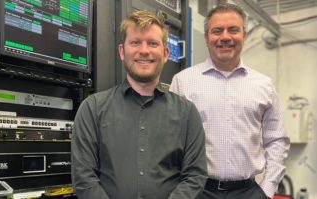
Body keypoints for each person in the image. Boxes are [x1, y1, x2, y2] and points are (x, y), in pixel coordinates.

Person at [71, 10, 207, 199]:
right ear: (122, 51)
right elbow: (83, 178)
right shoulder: (92, 109)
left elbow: (195, 176)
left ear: (166, 53)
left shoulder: (187, 113)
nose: (144, 50)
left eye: (153, 43)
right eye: (135, 42)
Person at [170, 3, 290, 199]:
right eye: (217, 31)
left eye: (233, 30)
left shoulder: (264, 85)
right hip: (198, 191)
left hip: (249, 192)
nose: (225, 37)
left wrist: (267, 189)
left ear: (244, 35)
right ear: (207, 37)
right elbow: (170, 141)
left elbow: (277, 140)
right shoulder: (183, 82)